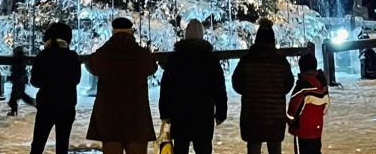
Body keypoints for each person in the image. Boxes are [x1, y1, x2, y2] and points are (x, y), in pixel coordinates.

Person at [87, 17, 158, 154]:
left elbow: (92, 66)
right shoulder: (141, 54)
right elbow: (152, 68)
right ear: (131, 32)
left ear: (113, 32)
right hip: (137, 116)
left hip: (109, 116)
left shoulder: (104, 53)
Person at [159, 19, 227, 154]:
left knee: (180, 147)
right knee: (203, 147)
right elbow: (218, 88)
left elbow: (166, 88)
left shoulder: (175, 59)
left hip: (180, 112)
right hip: (203, 112)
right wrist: (221, 112)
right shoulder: (210, 59)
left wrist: (165, 112)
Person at [233, 20, 294, 154]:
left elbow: (237, 84)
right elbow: (289, 84)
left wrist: (248, 91)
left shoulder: (247, 60)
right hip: (275, 116)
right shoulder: (281, 61)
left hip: (252, 114)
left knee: (253, 148)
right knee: (275, 149)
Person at [30, 22, 82, 154]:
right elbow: (76, 80)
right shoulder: (72, 56)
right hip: (67, 105)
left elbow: (35, 81)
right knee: (62, 145)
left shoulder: (43, 56)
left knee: (38, 143)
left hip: (46, 104)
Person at [287, 53, 329, 154]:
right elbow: (326, 105)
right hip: (316, 128)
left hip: (301, 129)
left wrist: (290, 120)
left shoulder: (302, 86)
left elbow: (293, 108)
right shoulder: (322, 85)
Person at [8, 46, 35, 116]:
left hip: (18, 80)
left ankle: (14, 111)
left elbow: (16, 70)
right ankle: (33, 103)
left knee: (15, 96)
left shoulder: (17, 59)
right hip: (20, 79)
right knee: (19, 95)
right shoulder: (22, 59)